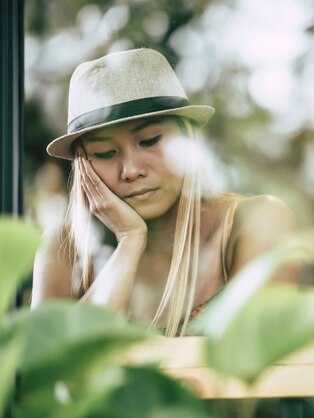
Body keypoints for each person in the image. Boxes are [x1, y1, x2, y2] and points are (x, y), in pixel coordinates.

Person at [31, 48, 297, 337]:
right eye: (105, 152)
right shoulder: (62, 250)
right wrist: (129, 242)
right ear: (83, 167)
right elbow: (45, 373)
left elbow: (256, 366)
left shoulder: (256, 222)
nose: (131, 169)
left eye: (149, 140)